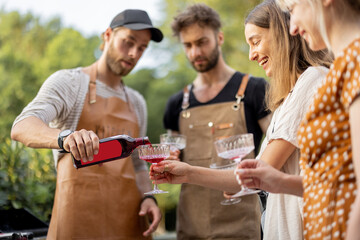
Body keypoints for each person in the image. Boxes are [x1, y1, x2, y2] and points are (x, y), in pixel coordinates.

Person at [153, 0, 332, 239]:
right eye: (187, 45)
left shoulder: (310, 81)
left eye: (256, 41)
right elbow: (256, 175)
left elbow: (260, 172)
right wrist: (185, 171)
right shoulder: (288, 97)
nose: (251, 55)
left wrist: (191, 173)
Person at [11, 9, 163, 240]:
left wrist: (148, 197)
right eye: (128, 42)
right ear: (108, 35)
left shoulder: (137, 102)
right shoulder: (69, 82)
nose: (133, 53)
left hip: (129, 224)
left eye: (142, 48)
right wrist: (65, 138)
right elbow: (22, 126)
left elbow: (138, 165)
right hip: (77, 223)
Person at [236, 0, 360, 239]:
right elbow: (334, 182)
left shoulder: (350, 64)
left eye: (292, 10)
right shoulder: (341, 69)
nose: (291, 28)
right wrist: (281, 182)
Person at [162, 3, 272, 240]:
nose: (195, 52)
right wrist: (170, 159)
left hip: (242, 225)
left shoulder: (254, 89)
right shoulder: (176, 104)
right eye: (188, 45)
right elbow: (173, 154)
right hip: (191, 226)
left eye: (202, 42)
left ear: (219, 37)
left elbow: (276, 156)